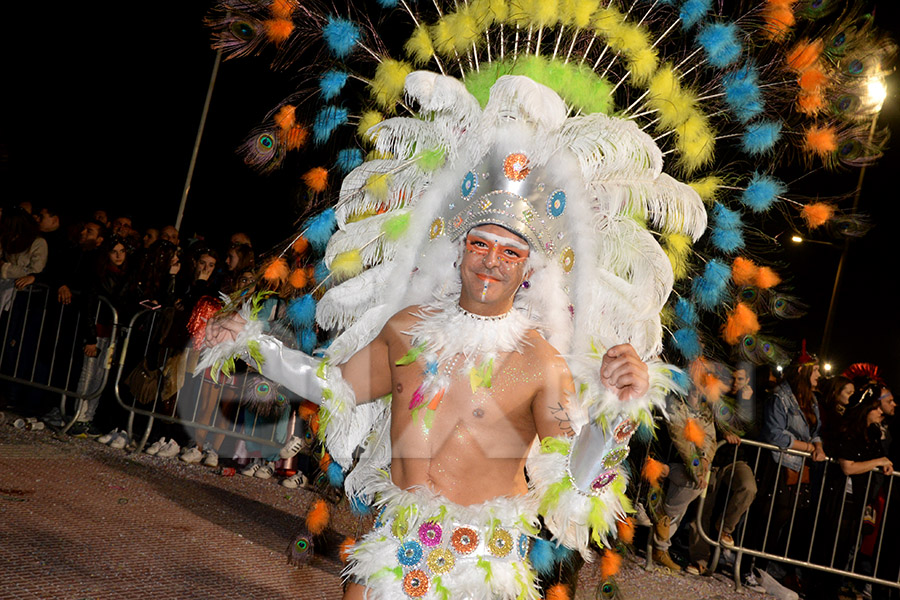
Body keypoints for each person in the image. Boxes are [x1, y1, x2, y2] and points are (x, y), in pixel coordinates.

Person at [201, 75, 705, 599]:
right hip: (395, 553)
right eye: (481, 244)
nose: (492, 261)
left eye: (511, 253)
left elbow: (572, 481)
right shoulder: (408, 329)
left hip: (484, 571)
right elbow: (335, 387)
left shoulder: (542, 361)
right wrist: (252, 344)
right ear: (460, 248)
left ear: (527, 268)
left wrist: (616, 413)